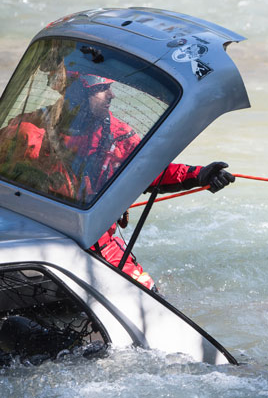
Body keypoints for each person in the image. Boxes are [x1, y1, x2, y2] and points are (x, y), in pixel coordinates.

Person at [1, 73, 235, 290]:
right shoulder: (26, 130)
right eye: (102, 88)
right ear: (77, 95)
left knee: (149, 293)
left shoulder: (117, 133)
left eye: (110, 88)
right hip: (35, 235)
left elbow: (150, 172)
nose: (112, 95)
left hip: (95, 241)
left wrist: (199, 175)